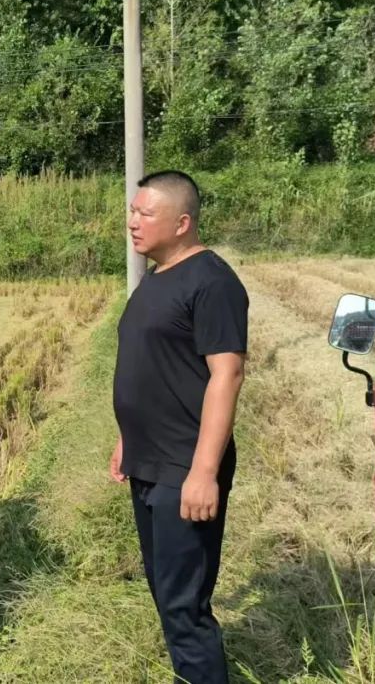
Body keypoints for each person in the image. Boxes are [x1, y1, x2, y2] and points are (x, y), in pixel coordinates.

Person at [110, 170, 248, 684]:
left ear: (183, 222)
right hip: (150, 460)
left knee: (184, 606)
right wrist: (128, 438)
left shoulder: (211, 283)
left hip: (183, 467)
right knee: (167, 592)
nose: (132, 222)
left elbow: (226, 374)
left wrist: (203, 472)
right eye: (132, 211)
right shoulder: (156, 278)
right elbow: (154, 366)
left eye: (145, 213)